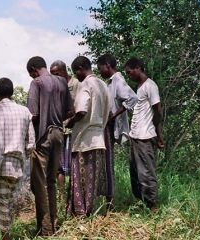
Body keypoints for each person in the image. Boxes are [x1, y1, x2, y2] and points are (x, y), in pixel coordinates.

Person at [0, 78, 35, 240]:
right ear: (12, 92)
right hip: (17, 165)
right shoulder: (25, 111)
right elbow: (31, 143)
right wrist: (23, 157)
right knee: (8, 201)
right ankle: (7, 235)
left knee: (3, 203)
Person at [26, 56, 71, 235]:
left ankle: (44, 229)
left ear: (33, 70)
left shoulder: (36, 83)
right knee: (52, 181)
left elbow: (33, 114)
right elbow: (70, 111)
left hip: (42, 137)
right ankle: (53, 223)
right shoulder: (62, 81)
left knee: (40, 184)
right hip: (59, 134)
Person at [67, 56, 112, 216]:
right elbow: (109, 111)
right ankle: (93, 212)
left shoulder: (85, 83)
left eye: (75, 72)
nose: (76, 76)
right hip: (99, 139)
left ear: (80, 68)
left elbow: (81, 110)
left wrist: (70, 122)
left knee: (81, 181)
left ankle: (81, 214)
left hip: (84, 141)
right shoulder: (102, 85)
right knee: (93, 182)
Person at [97, 54, 138, 208]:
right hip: (106, 126)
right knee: (105, 163)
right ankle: (108, 200)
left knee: (108, 163)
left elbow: (132, 98)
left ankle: (110, 202)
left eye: (101, 68)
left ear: (107, 65)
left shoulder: (118, 80)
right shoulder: (110, 82)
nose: (100, 72)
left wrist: (114, 115)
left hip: (110, 127)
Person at [124, 57, 164, 211]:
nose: (129, 76)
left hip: (145, 137)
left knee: (146, 173)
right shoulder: (139, 87)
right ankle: (142, 203)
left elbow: (158, 111)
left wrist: (158, 135)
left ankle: (153, 207)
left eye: (130, 72)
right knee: (135, 173)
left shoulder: (150, 86)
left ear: (139, 67)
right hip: (135, 136)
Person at [49, 60, 80, 203]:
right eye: (52, 75)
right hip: (60, 130)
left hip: (75, 130)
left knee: (74, 166)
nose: (54, 77)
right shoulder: (55, 87)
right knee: (59, 166)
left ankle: (74, 196)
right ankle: (61, 197)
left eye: (56, 74)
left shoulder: (76, 84)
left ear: (64, 71)